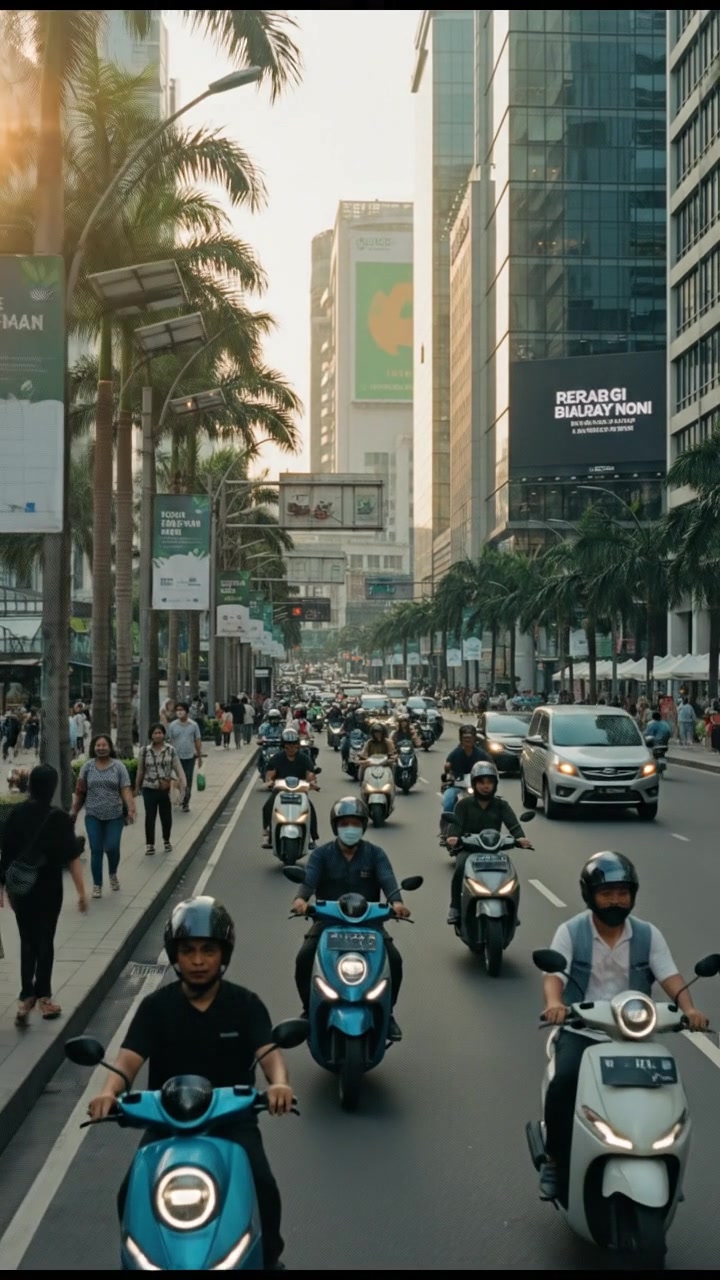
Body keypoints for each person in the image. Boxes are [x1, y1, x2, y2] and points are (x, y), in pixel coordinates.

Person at [88, 897, 292, 1271]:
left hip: (232, 1120)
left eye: (208, 950)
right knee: (128, 1193)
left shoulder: (245, 1004)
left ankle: (269, 1259)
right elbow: (127, 1061)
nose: (198, 961)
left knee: (264, 1185)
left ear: (223, 954)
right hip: (167, 1122)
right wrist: (107, 1093)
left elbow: (269, 1054)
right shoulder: (155, 1007)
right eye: (188, 951)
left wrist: (278, 1084)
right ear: (175, 956)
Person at [537, 851, 709, 1200]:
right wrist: (555, 1005)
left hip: (634, 1034)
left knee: (669, 1090)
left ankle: (666, 1159)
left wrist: (690, 1009)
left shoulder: (647, 934)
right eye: (607, 893)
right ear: (590, 895)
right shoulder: (571, 931)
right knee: (564, 1082)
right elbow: (553, 975)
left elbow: (670, 976)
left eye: (623, 892)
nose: (616, 900)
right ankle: (554, 1160)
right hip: (583, 1030)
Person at [290, 797, 410, 1041]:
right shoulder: (322, 854)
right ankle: (307, 1009)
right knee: (304, 958)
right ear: (336, 826)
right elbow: (309, 881)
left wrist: (397, 904)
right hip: (327, 923)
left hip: (369, 923)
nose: (349, 828)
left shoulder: (375, 854)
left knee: (394, 961)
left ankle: (388, 1015)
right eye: (344, 823)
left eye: (355, 822)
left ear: (363, 826)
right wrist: (301, 901)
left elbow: (388, 881)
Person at [0, 764, 87, 1025]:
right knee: (45, 939)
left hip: (21, 888)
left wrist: (3, 887)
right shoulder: (58, 817)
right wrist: (82, 893)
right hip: (48, 887)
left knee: (27, 939)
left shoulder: (15, 813)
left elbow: (5, 853)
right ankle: (44, 997)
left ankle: (26, 995)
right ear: (51, 788)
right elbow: (72, 856)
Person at [445, 761, 531, 924]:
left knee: (510, 873)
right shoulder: (464, 804)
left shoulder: (501, 805)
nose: (486, 786)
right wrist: (453, 838)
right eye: (481, 782)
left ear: (495, 784)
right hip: (468, 850)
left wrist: (520, 838)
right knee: (460, 868)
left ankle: (511, 909)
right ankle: (455, 907)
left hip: (493, 851)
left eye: (490, 782)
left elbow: (513, 824)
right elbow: (455, 825)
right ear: (474, 784)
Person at [71, 735, 135, 898]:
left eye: (104, 745)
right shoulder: (87, 767)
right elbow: (80, 792)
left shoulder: (118, 767)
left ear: (110, 747)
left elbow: (125, 789)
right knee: (96, 849)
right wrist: (74, 811)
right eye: (98, 745)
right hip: (93, 815)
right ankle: (97, 884)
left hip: (114, 815)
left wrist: (131, 808)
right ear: (94, 747)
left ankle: (112, 873)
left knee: (112, 847)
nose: (101, 748)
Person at [262, 728, 319, 849]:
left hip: (300, 791)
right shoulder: (277, 758)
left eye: (293, 744)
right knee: (268, 806)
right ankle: (268, 833)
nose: (291, 747)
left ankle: (312, 837)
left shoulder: (304, 758)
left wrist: (313, 783)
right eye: (288, 744)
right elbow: (270, 773)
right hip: (280, 791)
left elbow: (310, 774)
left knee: (310, 809)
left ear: (297, 745)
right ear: (284, 745)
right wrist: (269, 781)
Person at [135, 723, 184, 855]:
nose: (158, 735)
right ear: (151, 735)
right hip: (149, 789)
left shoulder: (171, 750)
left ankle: (166, 840)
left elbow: (178, 768)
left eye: (160, 733)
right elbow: (140, 770)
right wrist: (136, 787)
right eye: (155, 733)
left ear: (164, 734)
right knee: (150, 817)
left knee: (166, 816)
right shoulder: (144, 751)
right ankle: (150, 844)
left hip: (165, 789)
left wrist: (183, 785)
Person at [439, 725, 492, 834]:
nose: (468, 740)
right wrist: (448, 770)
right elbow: (447, 767)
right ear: (461, 739)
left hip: (477, 787)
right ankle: (445, 831)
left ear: (474, 739)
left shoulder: (481, 754)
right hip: (457, 786)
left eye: (470, 738)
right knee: (448, 802)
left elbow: (491, 766)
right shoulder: (455, 754)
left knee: (492, 804)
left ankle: (490, 830)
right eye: (465, 738)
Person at [167, 701, 203, 812]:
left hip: (189, 757)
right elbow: (169, 741)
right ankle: (178, 798)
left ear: (186, 711)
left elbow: (197, 740)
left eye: (181, 710)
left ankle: (185, 802)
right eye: (177, 710)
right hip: (176, 758)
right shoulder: (172, 725)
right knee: (177, 780)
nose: (179, 712)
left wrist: (199, 756)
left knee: (187, 779)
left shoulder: (193, 725)